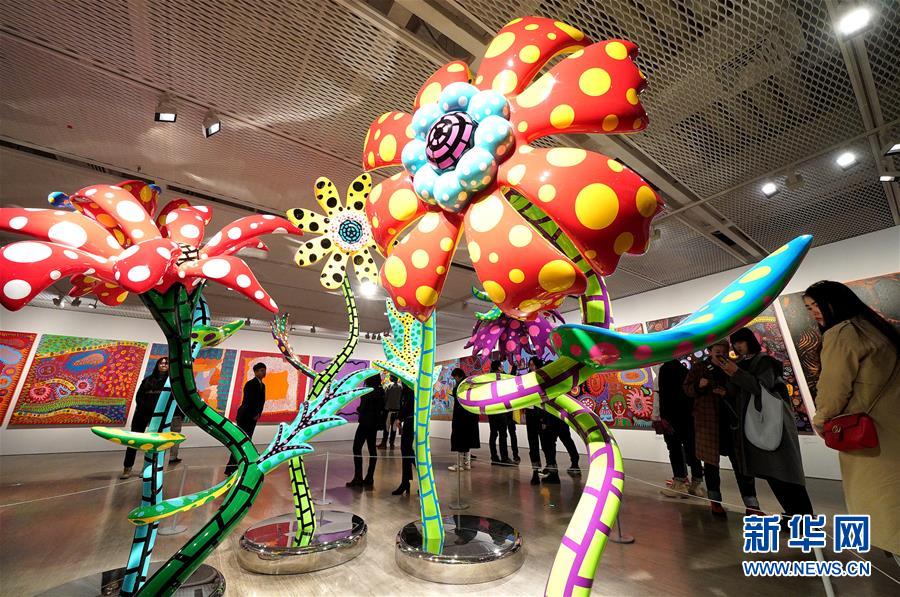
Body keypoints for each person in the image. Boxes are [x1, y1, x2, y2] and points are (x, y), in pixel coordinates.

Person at [804, 281, 899, 555]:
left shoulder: (842, 333)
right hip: (893, 424)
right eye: (809, 308)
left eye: (817, 305)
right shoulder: (875, 328)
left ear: (835, 301)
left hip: (872, 433)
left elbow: (833, 388)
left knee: (885, 504)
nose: (814, 312)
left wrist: (822, 421)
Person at [712, 328, 814, 519]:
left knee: (786, 472)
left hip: (772, 424)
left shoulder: (766, 362)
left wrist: (736, 373)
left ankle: (805, 517)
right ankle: (792, 515)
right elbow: (738, 393)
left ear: (750, 341)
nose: (738, 346)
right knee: (772, 474)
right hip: (754, 425)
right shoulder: (740, 364)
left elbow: (762, 389)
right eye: (735, 343)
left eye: (741, 342)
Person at [684, 341, 759, 517]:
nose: (721, 354)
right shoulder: (699, 367)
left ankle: (752, 506)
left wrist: (727, 392)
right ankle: (715, 503)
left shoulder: (733, 367)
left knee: (741, 466)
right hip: (708, 423)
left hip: (732, 423)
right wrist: (699, 386)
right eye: (717, 351)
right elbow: (687, 389)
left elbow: (743, 390)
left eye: (724, 351)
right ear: (709, 351)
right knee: (711, 466)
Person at [656, 359, 704, 498]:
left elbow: (664, 395)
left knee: (675, 449)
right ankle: (696, 483)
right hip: (687, 416)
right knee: (691, 448)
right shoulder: (683, 369)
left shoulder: (665, 369)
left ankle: (680, 482)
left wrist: (663, 417)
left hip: (672, 417)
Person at [121, 358, 169, 479]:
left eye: (166, 363)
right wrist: (143, 408)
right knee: (133, 442)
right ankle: (127, 468)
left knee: (154, 444)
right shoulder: (148, 380)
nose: (164, 365)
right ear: (157, 365)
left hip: (158, 416)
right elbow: (139, 397)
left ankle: (147, 468)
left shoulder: (169, 383)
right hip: (141, 414)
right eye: (161, 363)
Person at [225, 362, 267, 476]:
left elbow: (261, 402)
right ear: (256, 372)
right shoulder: (250, 384)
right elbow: (248, 401)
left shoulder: (262, 385)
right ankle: (230, 468)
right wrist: (253, 414)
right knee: (240, 441)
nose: (264, 372)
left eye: (264, 370)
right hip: (245, 416)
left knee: (246, 441)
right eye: (261, 370)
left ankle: (240, 465)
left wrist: (258, 413)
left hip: (253, 417)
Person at [347, 374, 385, 489]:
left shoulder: (368, 391)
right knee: (372, 449)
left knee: (357, 448)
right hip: (373, 424)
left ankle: (358, 477)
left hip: (365, 423)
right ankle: (369, 477)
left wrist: (359, 409)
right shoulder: (381, 391)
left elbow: (363, 407)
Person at [449, 368, 480, 471]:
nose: (455, 380)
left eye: (455, 378)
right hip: (471, 416)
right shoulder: (469, 383)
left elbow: (456, 394)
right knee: (467, 441)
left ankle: (460, 465)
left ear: (458, 376)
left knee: (460, 440)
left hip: (462, 417)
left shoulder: (461, 385)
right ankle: (467, 464)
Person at [525, 358, 548, 485]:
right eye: (530, 365)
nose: (531, 367)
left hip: (541, 415)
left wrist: (544, 418)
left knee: (546, 444)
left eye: (533, 365)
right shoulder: (527, 379)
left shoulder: (542, 378)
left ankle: (550, 469)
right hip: (531, 415)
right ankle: (535, 471)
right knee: (533, 444)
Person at [487, 360, 513, 466]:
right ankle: (504, 458)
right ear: (498, 368)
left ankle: (494, 457)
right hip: (500, 409)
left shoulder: (488, 378)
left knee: (493, 434)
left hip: (491, 410)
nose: (503, 367)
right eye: (501, 366)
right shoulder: (501, 377)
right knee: (502, 434)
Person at [392, 382, 416, 495]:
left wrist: (400, 418)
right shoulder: (407, 390)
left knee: (410, 453)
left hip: (412, 424)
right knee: (407, 453)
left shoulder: (410, 391)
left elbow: (407, 406)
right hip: (409, 423)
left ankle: (407, 482)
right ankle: (405, 482)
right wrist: (400, 418)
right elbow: (404, 406)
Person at [380, 375, 402, 449]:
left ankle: (384, 443)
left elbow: (385, 397)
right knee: (394, 428)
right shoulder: (400, 387)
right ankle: (392, 443)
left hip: (388, 410)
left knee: (386, 428)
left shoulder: (388, 386)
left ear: (391, 378)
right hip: (397, 411)